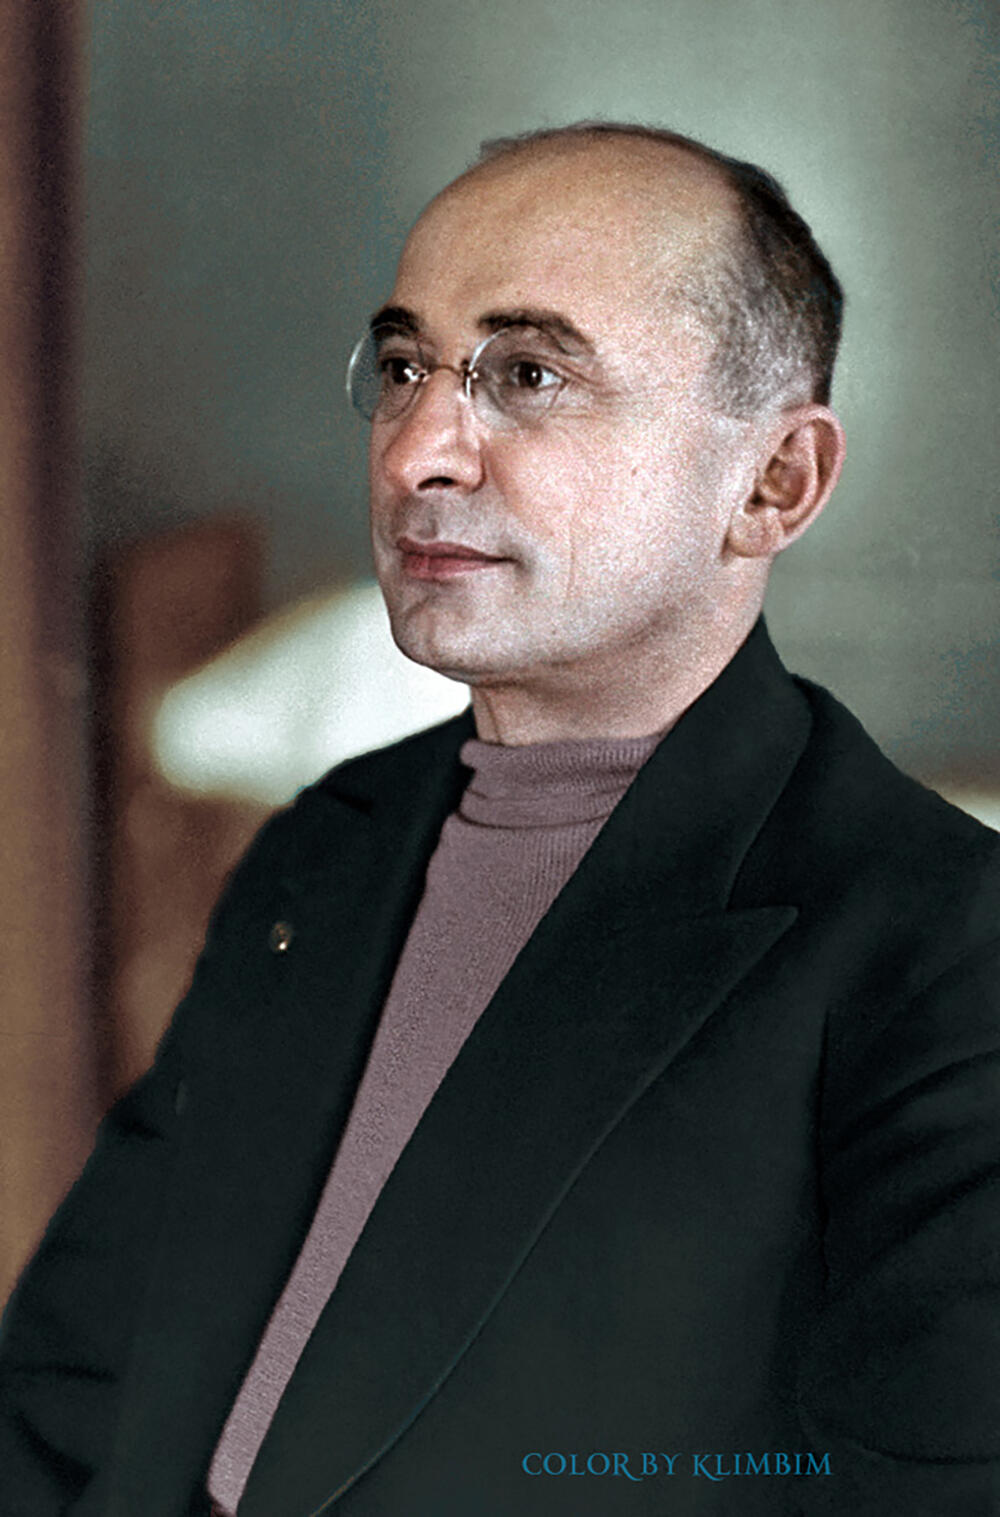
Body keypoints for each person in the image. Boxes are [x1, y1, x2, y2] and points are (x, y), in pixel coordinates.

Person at [2, 122, 998, 1517]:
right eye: (405, 367)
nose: (418, 450)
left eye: (529, 374)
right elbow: (69, 1383)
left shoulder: (944, 946)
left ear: (774, 483)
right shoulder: (329, 843)